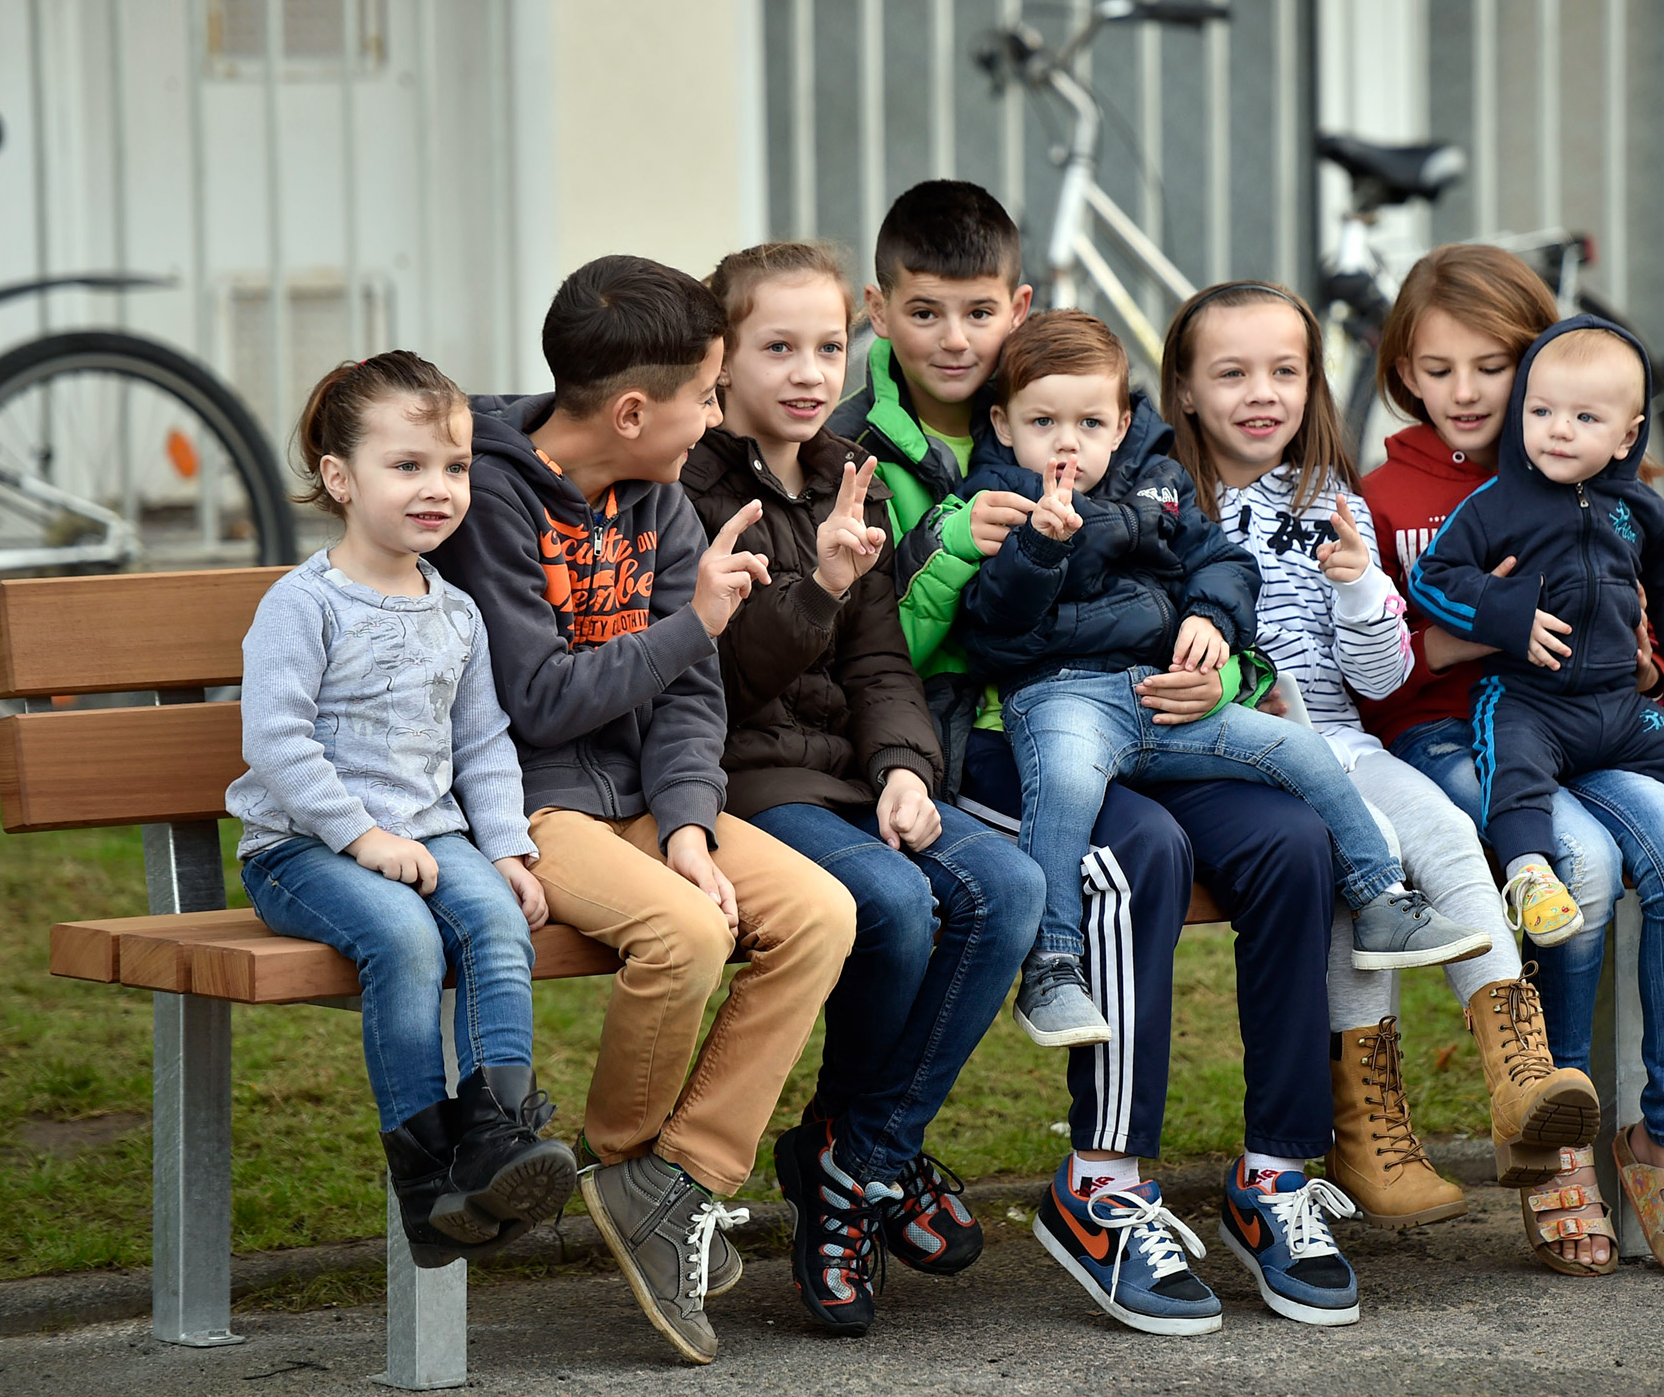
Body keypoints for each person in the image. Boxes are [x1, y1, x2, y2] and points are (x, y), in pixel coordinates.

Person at [833, 180, 1352, 1338]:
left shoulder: (1092, 400)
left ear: (1016, 308)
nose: (955, 340)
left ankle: (1276, 1173)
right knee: (1140, 858)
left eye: (978, 314)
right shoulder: (852, 441)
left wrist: (1220, 672)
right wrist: (954, 546)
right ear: (882, 314)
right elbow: (872, 642)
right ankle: (1102, 1187)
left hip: (1143, 711)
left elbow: (1199, 560)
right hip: (963, 735)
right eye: (925, 314)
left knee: (1291, 845)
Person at [429, 255, 857, 1363]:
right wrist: (692, 624)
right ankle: (622, 1164)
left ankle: (677, 1177)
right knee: (684, 930)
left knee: (818, 912)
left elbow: (688, 698)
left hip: (639, 805)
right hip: (530, 809)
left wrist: (686, 825)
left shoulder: (660, 497)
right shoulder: (488, 504)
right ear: (631, 411)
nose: (713, 417)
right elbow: (538, 700)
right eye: (704, 396)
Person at [1160, 278, 1602, 1233]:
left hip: (1345, 743)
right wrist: (1239, 683)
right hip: (1230, 762)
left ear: (1314, 383)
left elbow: (1380, 670)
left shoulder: (1327, 499)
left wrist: (1362, 589)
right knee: (1339, 861)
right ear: (1186, 390)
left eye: (1285, 370)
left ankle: (1518, 1073)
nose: (1262, 393)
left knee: (1440, 828)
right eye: (1232, 373)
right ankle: (1367, 1134)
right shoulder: (1165, 504)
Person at [1363, 243, 1664, 1279]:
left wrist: (1655, 663)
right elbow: (1381, 665)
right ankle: (1555, 1134)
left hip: (1590, 725)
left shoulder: (1575, 466)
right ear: (1400, 367)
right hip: (1445, 736)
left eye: (1490, 367)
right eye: (1435, 370)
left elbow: (1648, 607)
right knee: (1573, 863)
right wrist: (1478, 627)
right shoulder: (1385, 494)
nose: (1464, 393)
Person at [682, 240, 1043, 1338]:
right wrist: (821, 584)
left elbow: (882, 665)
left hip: (848, 778)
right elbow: (717, 684)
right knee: (890, 906)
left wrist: (900, 768)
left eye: (826, 346)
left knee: (1006, 888)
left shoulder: (848, 471)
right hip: (748, 781)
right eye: (775, 346)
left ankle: (845, 1155)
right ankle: (865, 1170)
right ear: (721, 357)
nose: (804, 370)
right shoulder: (692, 488)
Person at [961, 308, 1486, 1046]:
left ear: (1119, 426)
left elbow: (1223, 562)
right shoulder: (999, 503)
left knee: (1300, 750)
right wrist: (1037, 550)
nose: (1067, 442)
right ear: (1005, 425)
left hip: (1162, 692)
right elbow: (990, 625)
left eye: (1088, 423)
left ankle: (1381, 900)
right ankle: (1051, 965)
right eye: (1043, 422)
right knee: (1068, 784)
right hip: (1061, 694)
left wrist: (1209, 618)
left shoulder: (1160, 486)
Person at [229, 351, 577, 1273]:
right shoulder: (304, 606)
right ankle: (427, 1184)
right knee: (409, 941)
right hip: (303, 850)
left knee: (500, 924)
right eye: (408, 465)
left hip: (431, 833)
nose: (439, 488)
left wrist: (505, 847)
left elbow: (482, 744)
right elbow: (277, 741)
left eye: (455, 467)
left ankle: (494, 1141)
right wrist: (363, 837)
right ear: (340, 480)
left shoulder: (456, 611)